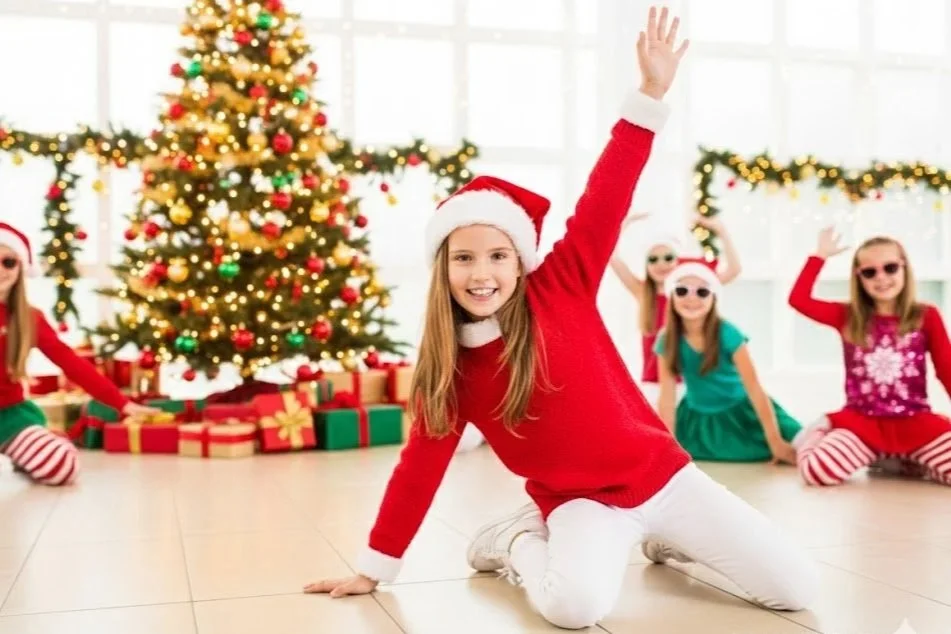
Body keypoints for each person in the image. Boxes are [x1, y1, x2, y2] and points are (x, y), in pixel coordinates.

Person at [305, 8, 816, 629]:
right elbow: (419, 467)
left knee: (795, 589)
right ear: (442, 269)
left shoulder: (564, 284)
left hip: (666, 477)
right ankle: (515, 541)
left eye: (497, 255)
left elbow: (606, 194)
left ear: (520, 262)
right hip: (577, 504)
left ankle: (671, 545)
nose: (482, 273)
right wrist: (375, 568)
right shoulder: (453, 369)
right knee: (574, 609)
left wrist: (649, 96)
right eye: (463, 258)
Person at [790, 227, 951, 486]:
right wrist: (819, 256)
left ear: (904, 268)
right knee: (817, 472)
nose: (881, 277)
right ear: (859, 278)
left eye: (890, 268)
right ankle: (823, 430)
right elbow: (799, 300)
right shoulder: (848, 315)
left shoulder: (926, 315)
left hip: (915, 422)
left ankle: (910, 461)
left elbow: (947, 369)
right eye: (869, 271)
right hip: (862, 422)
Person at [0, 222, 154, 485]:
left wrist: (121, 402)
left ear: (21, 268)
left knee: (61, 465)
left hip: (9, 415)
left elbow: (72, 363)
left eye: (8, 262)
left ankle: (36, 443)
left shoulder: (29, 318)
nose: (1, 270)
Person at [655, 257, 800, 463]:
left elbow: (754, 389)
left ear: (713, 298)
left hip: (742, 414)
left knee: (799, 442)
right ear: (672, 296)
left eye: (702, 292)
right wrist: (667, 446)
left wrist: (775, 441)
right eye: (682, 290)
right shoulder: (667, 340)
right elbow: (667, 398)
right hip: (698, 421)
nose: (691, 298)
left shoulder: (728, 333)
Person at [610, 213, 741, 406]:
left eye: (668, 257)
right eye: (653, 259)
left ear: (678, 261)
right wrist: (623, 224)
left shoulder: (690, 294)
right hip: (653, 386)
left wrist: (720, 230)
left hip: (690, 383)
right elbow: (613, 258)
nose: (661, 264)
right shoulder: (644, 293)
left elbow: (733, 270)